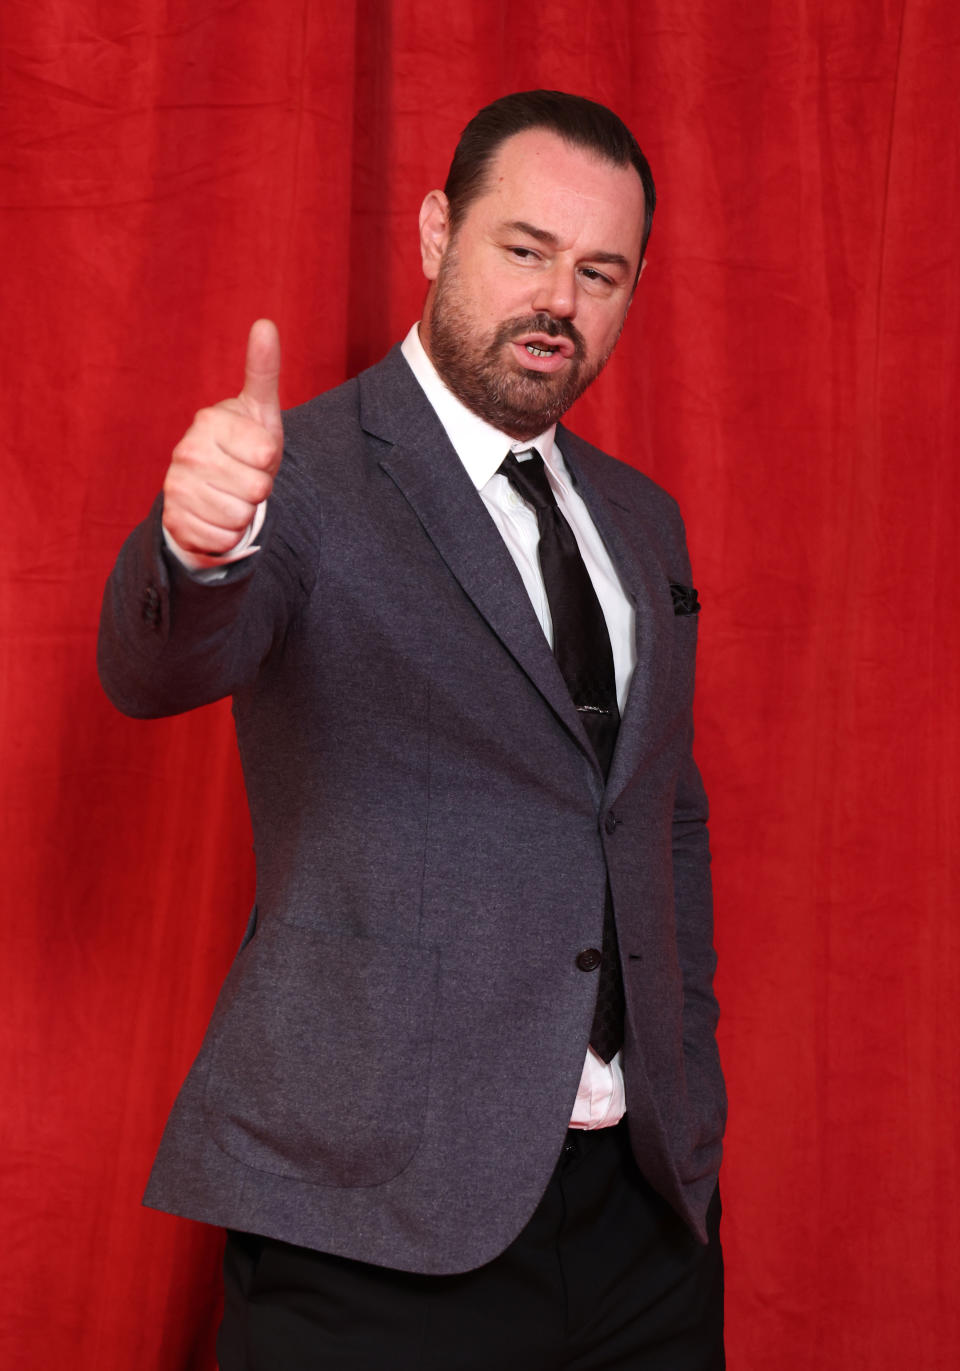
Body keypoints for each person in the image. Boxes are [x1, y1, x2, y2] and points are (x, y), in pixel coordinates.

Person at [99, 89, 726, 1370]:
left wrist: (691, 1102)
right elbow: (157, 666)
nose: (559, 296)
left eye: (598, 270)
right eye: (525, 248)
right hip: (369, 1223)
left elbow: (661, 817)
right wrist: (198, 544)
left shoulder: (642, 519)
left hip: (640, 1226)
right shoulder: (307, 476)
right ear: (439, 232)